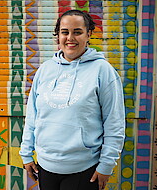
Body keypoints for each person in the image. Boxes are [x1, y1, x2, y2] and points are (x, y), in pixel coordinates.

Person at [19, 9, 125, 190]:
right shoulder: (45, 70)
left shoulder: (103, 71)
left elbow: (114, 122)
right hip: (45, 166)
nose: (70, 38)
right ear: (58, 35)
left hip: (84, 169)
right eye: (65, 32)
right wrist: (26, 154)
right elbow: (33, 116)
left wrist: (107, 165)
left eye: (77, 32)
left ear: (88, 34)